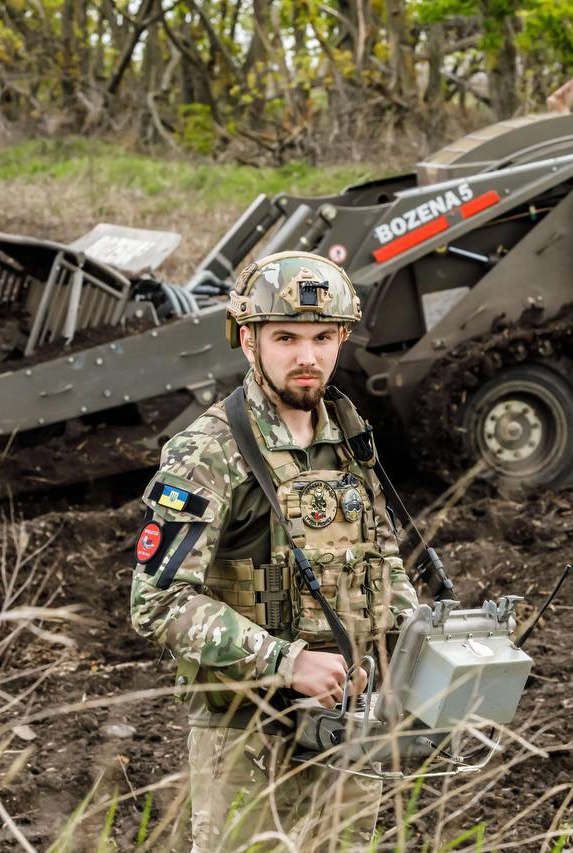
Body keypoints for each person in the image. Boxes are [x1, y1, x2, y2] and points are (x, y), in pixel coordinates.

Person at [129, 251, 419, 852]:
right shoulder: (208, 450)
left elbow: (380, 556)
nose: (306, 357)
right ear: (247, 340)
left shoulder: (347, 434)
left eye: (321, 337)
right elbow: (157, 603)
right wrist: (288, 663)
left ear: (342, 337)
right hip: (246, 735)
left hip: (347, 728)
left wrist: (415, 640)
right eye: (285, 337)